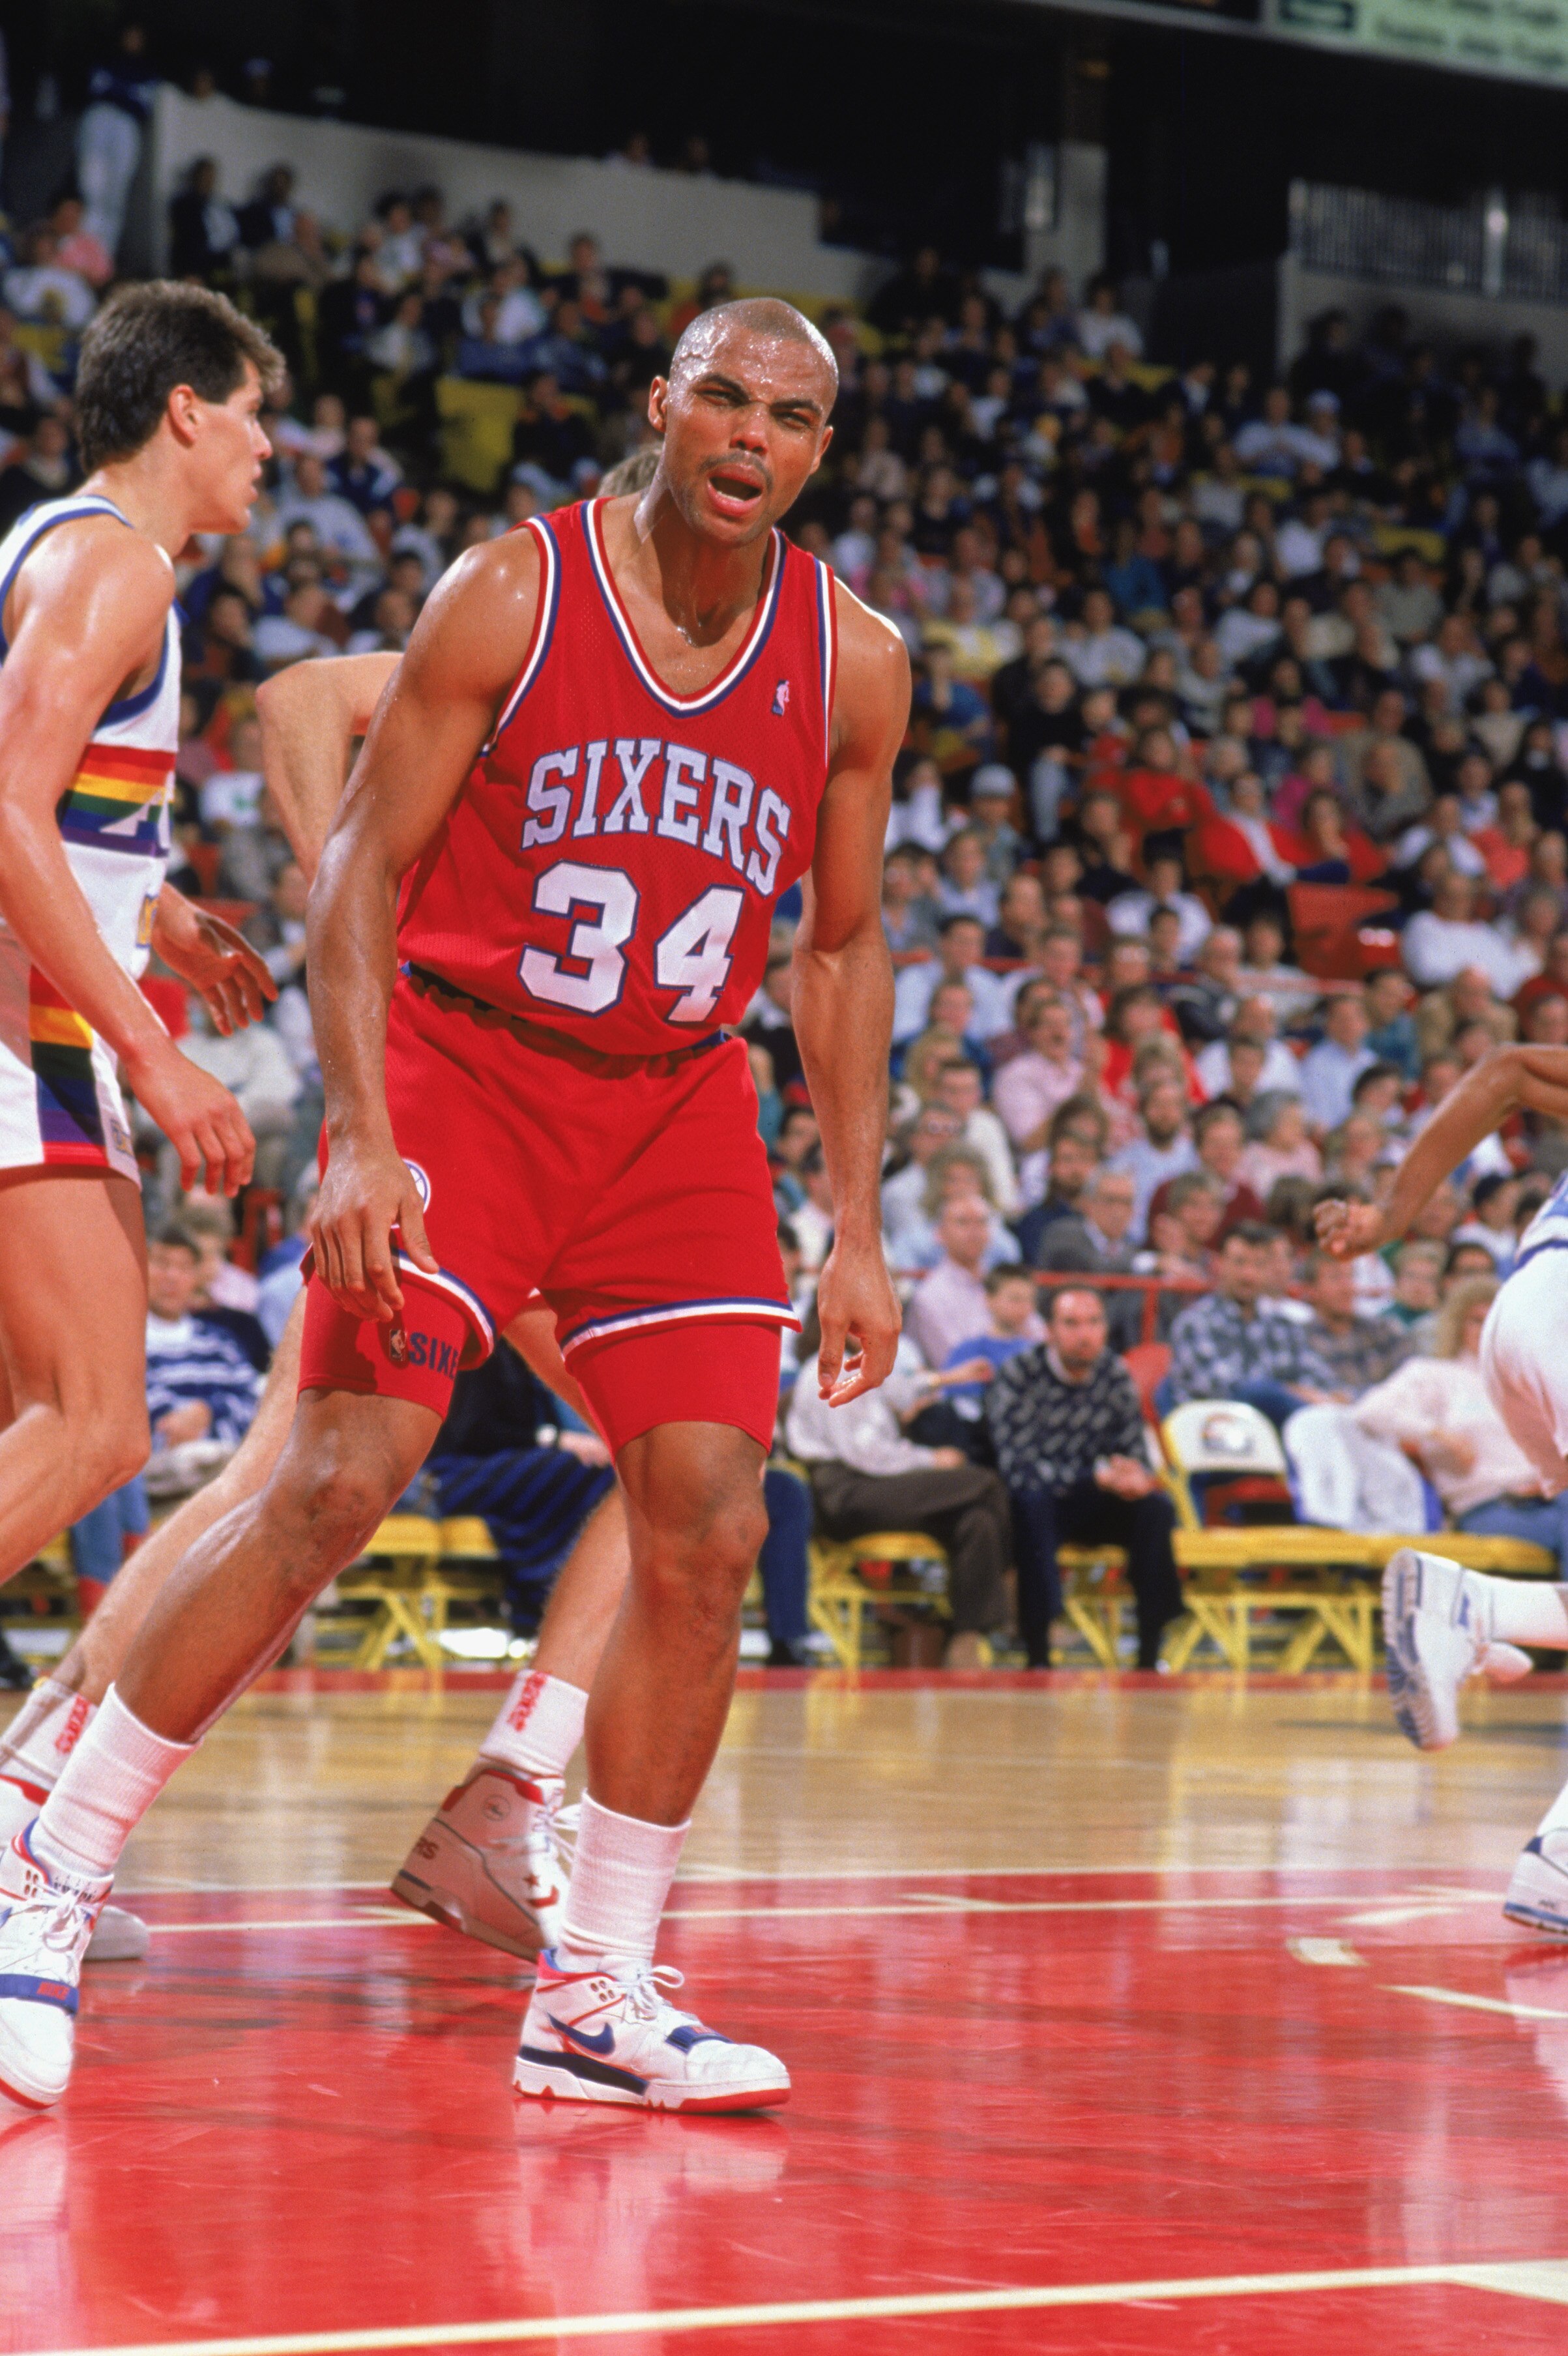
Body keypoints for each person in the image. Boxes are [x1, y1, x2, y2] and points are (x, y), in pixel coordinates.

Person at [0, 297, 908, 2115]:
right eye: (719, 398)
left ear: (819, 449)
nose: (747, 436)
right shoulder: (511, 588)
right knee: (331, 1474)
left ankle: (599, 1985)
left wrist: (862, 1218)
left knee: (712, 1515)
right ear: (660, 408)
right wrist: (355, 1120)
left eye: (789, 416)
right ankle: (46, 1869)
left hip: (675, 1105)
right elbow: (357, 873)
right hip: (468, 1076)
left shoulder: (859, 657)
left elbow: (844, 943)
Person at [1316, 1040, 1568, 1940]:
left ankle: (1558, 1861)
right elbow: (1504, 1069)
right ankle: (1463, 1605)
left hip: (1517, 1317)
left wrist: (1390, 1215)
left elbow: (1503, 1072)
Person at [987, 1286, 1183, 1668]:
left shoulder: (1114, 1373)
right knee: (1032, 1504)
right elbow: (1018, 1466)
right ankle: (1039, 1650)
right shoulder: (1019, 1376)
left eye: (1094, 1323)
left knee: (1155, 1509)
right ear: (1050, 1331)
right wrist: (1093, 1477)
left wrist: (1134, 1474)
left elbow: (1133, 1448)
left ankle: (1149, 1651)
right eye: (1072, 1323)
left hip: (1100, 1498)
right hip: (1043, 1501)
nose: (1085, 1334)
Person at [1165, 1224, 1335, 1425]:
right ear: (1219, 1264)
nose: (1249, 1275)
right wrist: (1291, 1391)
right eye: (1240, 1263)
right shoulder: (1194, 1323)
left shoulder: (1283, 1325)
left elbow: (1322, 1379)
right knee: (1261, 1393)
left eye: (1259, 1265)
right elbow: (1224, 1391)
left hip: (1280, 1432)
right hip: (1218, 1434)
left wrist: (1325, 1396)